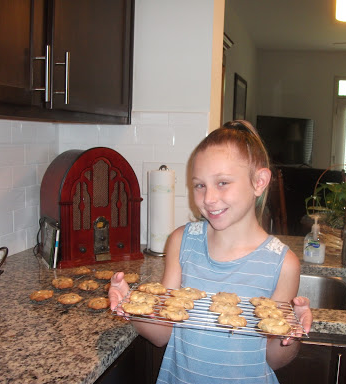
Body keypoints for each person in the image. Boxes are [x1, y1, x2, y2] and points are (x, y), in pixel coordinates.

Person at [109, 120, 313, 383]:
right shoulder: (181, 242)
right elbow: (162, 334)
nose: (208, 198)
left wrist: (292, 332)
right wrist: (130, 303)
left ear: (259, 182)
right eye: (199, 185)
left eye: (223, 183)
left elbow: (274, 358)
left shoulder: (282, 264)